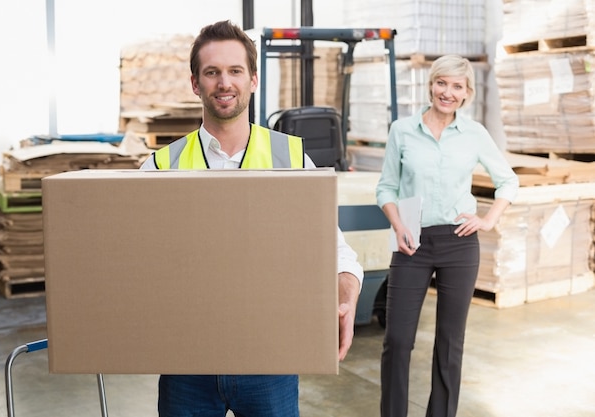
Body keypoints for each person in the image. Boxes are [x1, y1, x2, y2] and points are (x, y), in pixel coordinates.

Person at [139, 20, 364, 417]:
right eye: (212, 72)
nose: (224, 82)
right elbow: (137, 264)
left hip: (269, 360)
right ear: (195, 83)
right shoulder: (160, 167)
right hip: (188, 364)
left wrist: (346, 289)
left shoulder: (293, 159)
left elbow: (334, 247)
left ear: (253, 79)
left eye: (234, 71)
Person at [375, 54, 519, 417]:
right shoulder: (402, 130)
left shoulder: (474, 134)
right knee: (397, 339)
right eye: (442, 83)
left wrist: (487, 220)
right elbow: (386, 187)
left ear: (466, 93)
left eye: (457, 86)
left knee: (450, 342)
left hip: (459, 242)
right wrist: (398, 224)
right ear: (431, 84)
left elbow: (508, 180)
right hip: (412, 242)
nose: (448, 92)